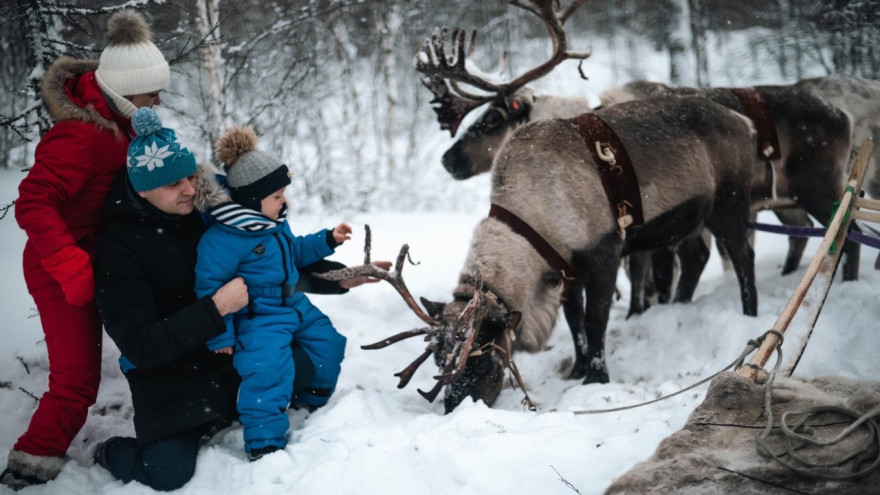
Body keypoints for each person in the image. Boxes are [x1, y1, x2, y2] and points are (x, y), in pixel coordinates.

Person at [90, 108, 380, 491]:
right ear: (142, 188)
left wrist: (337, 279)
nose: (190, 190)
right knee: (167, 473)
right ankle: (108, 452)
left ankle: (228, 411)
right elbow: (143, 346)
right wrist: (217, 308)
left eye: (191, 176)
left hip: (219, 351)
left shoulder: (213, 210)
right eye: (173, 184)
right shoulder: (117, 248)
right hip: (167, 373)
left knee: (300, 364)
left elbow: (271, 262)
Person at [2, 9, 169, 490]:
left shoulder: (129, 122)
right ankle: (31, 462)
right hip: (62, 265)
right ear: (122, 90)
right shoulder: (80, 135)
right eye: (151, 92)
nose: (158, 99)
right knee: (76, 380)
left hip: (106, 258)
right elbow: (33, 201)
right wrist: (68, 261)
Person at [196, 124, 351, 461]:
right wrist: (220, 334)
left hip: (294, 304)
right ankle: (263, 440)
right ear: (253, 199)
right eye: (277, 196)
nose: (284, 201)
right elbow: (208, 286)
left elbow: (294, 251)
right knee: (267, 370)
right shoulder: (223, 239)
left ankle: (312, 397)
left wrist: (327, 239)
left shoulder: (275, 223)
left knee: (330, 342)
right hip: (258, 315)